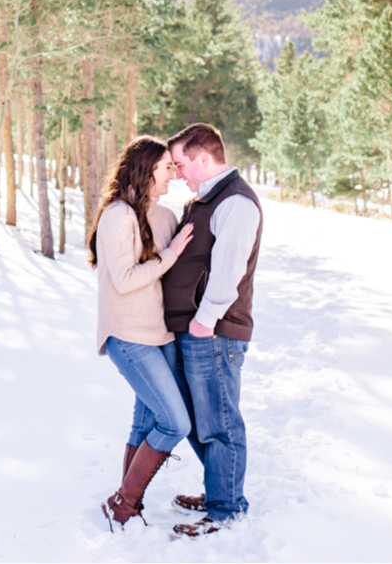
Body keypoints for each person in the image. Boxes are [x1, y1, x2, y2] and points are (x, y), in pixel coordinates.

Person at [88, 135, 196, 529]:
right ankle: (123, 501)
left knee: (145, 421)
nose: (173, 174)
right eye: (167, 167)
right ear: (146, 169)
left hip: (160, 334)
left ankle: (126, 504)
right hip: (128, 336)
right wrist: (170, 256)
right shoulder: (118, 215)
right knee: (175, 423)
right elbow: (125, 278)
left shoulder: (164, 215)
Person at [161, 122, 263, 538]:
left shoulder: (235, 202)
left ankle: (226, 509)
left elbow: (229, 266)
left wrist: (206, 320)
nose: (178, 172)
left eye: (182, 163)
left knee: (219, 422)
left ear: (204, 157)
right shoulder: (207, 199)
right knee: (199, 420)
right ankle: (222, 491)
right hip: (199, 329)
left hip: (215, 330)